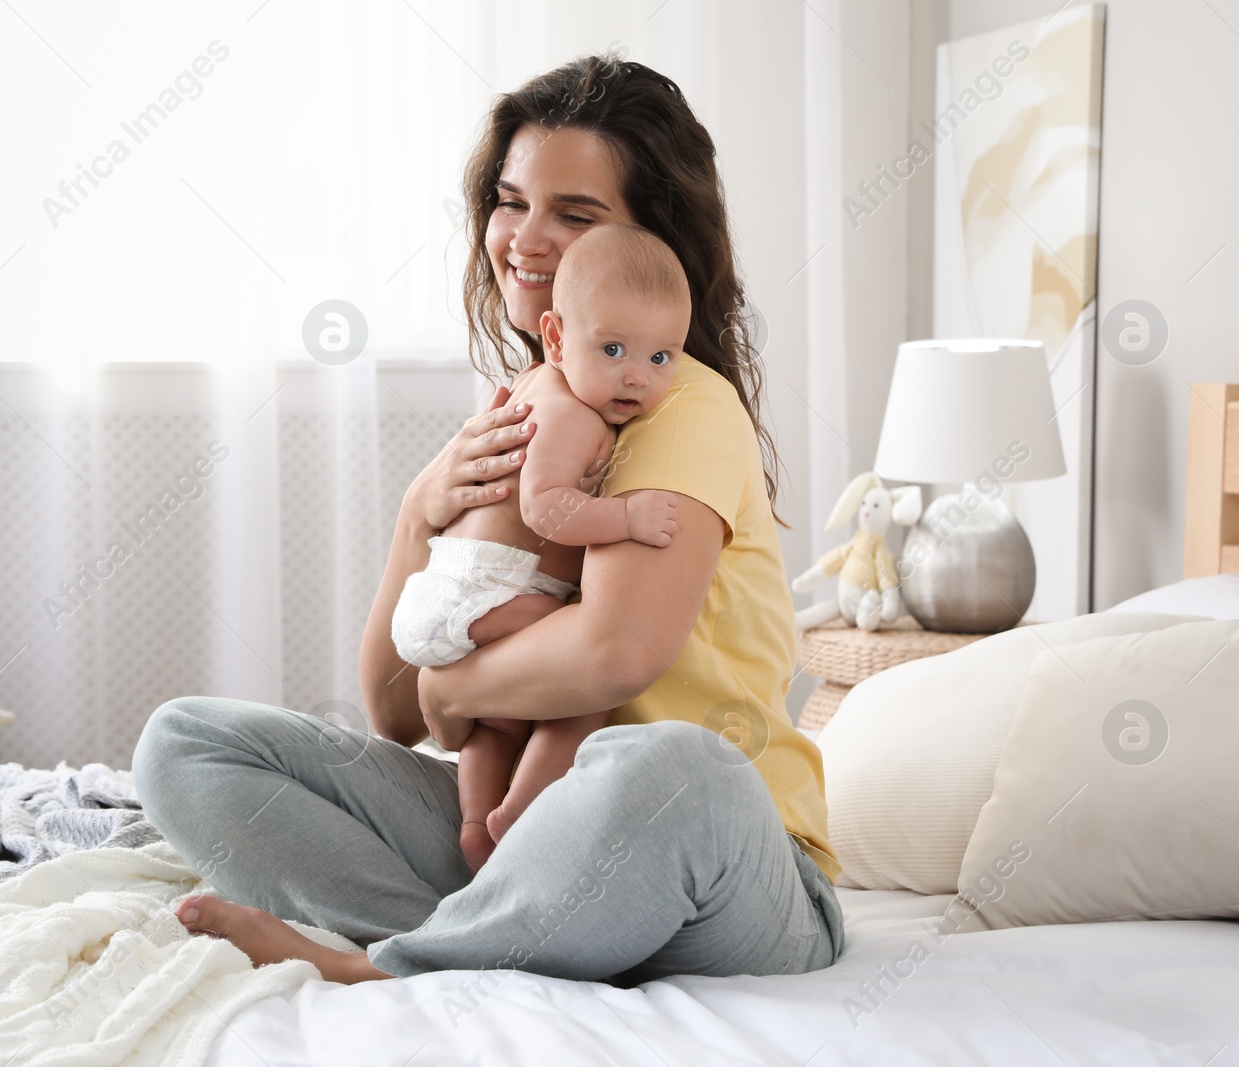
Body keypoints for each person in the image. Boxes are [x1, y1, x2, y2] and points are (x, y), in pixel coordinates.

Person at [132, 52, 846, 987]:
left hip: (730, 871)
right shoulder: (527, 411)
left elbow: (612, 656)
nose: (524, 237)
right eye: (511, 201)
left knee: (677, 765)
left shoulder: (687, 407)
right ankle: (503, 938)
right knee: (186, 742)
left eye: (575, 213)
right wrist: (416, 515)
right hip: (535, 829)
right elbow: (393, 707)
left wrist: (457, 690)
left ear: (655, 244)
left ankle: (389, 963)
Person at [391, 221, 690, 872]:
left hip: (456, 593)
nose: (636, 378)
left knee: (500, 720)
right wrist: (626, 516)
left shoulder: (536, 385)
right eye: (613, 349)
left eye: (660, 358)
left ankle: (478, 824)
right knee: (583, 684)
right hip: (481, 591)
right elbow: (545, 508)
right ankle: (523, 814)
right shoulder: (571, 412)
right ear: (556, 338)